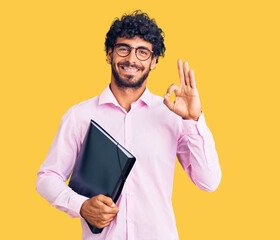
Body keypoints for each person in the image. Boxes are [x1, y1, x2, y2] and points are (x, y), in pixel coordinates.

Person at [36, 10, 221, 240]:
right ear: (109, 53)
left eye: (142, 52)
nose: (132, 59)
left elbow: (209, 181)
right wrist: (81, 205)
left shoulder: (173, 115)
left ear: (154, 61)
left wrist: (193, 120)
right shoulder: (79, 116)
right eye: (124, 48)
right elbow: (47, 177)